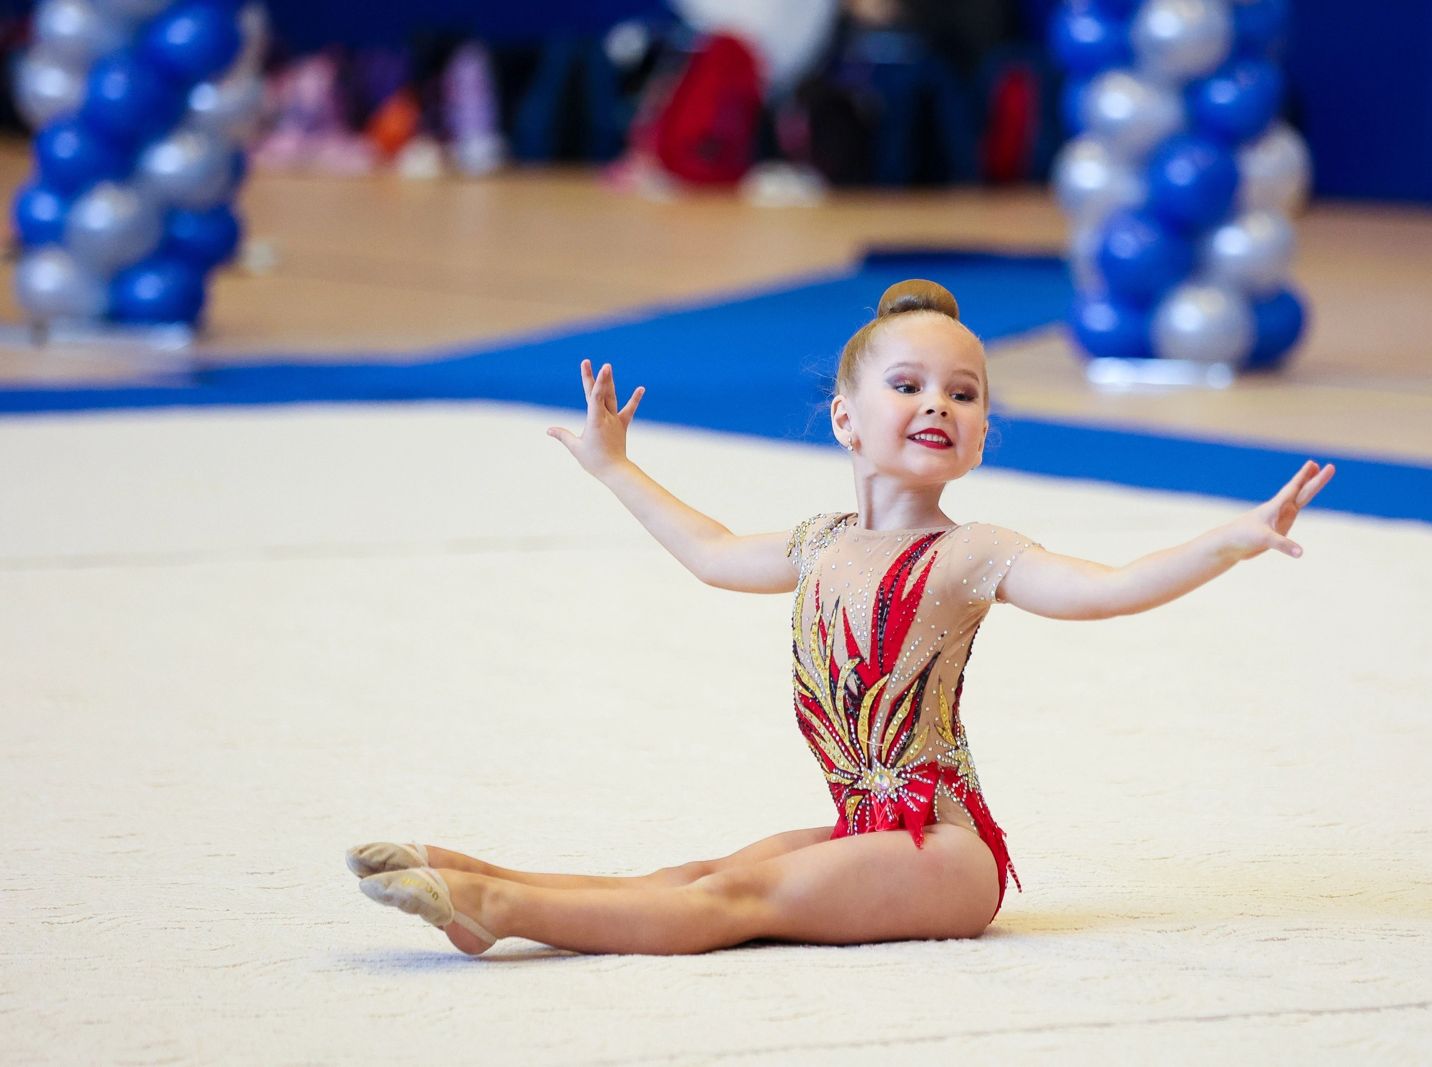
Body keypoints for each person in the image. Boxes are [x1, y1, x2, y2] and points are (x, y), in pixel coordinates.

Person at [347, 279, 1336, 956]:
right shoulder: (818, 541)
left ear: (982, 433)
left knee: (738, 902)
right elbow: (707, 548)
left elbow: (1107, 585)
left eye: (962, 392)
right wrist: (616, 468)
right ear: (845, 419)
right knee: (701, 870)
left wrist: (1234, 537)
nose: (936, 403)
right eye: (906, 385)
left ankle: (500, 907)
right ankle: (479, 875)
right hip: (866, 817)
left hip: (947, 852)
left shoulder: (971, 550)